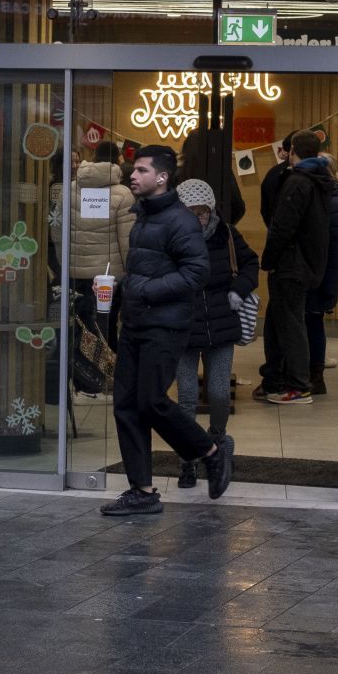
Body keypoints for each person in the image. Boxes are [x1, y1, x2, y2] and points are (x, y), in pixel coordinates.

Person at [102, 145, 235, 516]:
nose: (133, 175)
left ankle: (210, 451)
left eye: (141, 170)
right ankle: (142, 491)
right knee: (126, 405)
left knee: (151, 401)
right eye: (134, 168)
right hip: (136, 322)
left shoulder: (180, 220)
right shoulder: (143, 216)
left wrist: (145, 290)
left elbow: (197, 272)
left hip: (166, 324)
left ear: (161, 178)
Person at [173, 179, 259, 488]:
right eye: (191, 212)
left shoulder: (228, 236)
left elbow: (251, 264)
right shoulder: (171, 239)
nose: (199, 218)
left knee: (220, 393)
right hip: (183, 329)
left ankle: (217, 443)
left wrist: (238, 289)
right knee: (186, 398)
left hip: (221, 326)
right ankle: (188, 461)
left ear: (211, 211)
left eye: (203, 211)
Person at [258, 130, 331, 405]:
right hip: (307, 263)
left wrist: (269, 259)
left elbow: (282, 226)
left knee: (291, 324)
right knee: (286, 322)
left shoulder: (297, 181)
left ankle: (299, 386)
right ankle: (280, 380)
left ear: (292, 151)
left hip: (291, 264)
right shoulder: (322, 179)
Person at [69, 140, 135, 342]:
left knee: (80, 329)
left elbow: (58, 231)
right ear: (117, 160)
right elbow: (127, 242)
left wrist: (67, 263)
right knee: (106, 328)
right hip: (109, 277)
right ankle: (106, 370)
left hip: (76, 273)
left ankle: (82, 372)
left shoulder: (70, 189)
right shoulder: (124, 194)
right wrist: (129, 274)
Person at [304, 151, 338, 396]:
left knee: (311, 321)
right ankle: (314, 373)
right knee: (313, 321)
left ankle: (313, 374)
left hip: (316, 272)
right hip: (325, 272)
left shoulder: (326, 200)